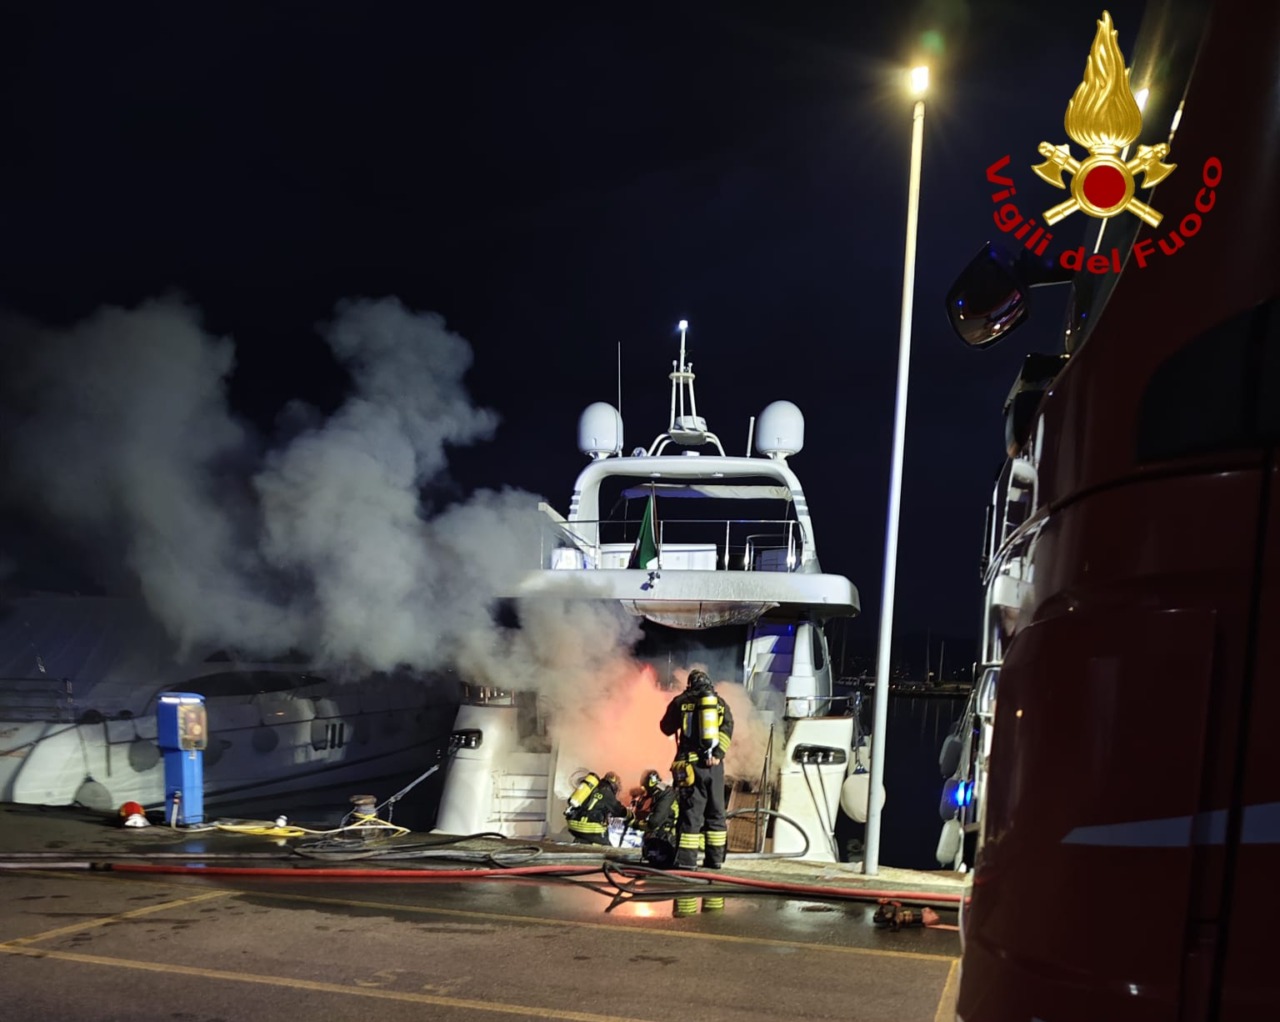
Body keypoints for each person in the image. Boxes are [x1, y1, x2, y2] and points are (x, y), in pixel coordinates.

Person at [659, 669, 734, 869]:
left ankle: (686, 862)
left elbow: (666, 727)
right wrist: (717, 754)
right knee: (716, 812)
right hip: (714, 768)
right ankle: (715, 860)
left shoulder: (681, 701)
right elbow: (728, 728)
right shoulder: (719, 703)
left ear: (690, 684)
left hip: (690, 768)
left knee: (691, 814)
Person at [628, 768, 679, 868]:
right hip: (669, 832)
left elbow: (654, 822)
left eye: (646, 787)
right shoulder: (661, 793)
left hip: (670, 835)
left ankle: (662, 856)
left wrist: (635, 824)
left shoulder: (665, 794)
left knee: (652, 835)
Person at [564, 770, 625, 844]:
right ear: (614, 784)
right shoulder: (606, 791)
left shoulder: (592, 788)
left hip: (573, 824)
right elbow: (618, 810)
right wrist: (630, 815)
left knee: (586, 840)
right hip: (589, 828)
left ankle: (581, 846)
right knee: (608, 851)